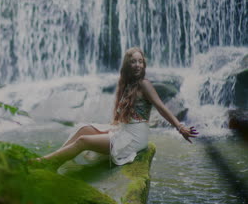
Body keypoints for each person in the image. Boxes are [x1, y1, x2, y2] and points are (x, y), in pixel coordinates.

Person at [36, 47, 198, 167]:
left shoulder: (144, 84)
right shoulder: (128, 84)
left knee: (83, 141)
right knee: (83, 129)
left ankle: (45, 163)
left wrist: (180, 127)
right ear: (128, 65)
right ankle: (54, 161)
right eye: (133, 61)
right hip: (124, 129)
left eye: (140, 61)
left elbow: (161, 107)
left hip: (135, 136)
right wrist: (112, 128)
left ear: (144, 64)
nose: (137, 65)